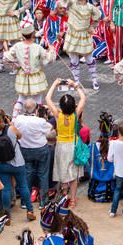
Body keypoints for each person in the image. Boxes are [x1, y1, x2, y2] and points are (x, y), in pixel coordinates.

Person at [44, 79, 87, 207]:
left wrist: (54, 84)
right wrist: (75, 86)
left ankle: (65, 197)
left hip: (61, 146)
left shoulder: (57, 115)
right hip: (73, 145)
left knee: (63, 174)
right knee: (73, 174)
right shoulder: (75, 115)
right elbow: (83, 98)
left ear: (61, 107)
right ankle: (73, 199)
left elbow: (47, 98)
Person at [3, 13, 56, 116]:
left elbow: (6, 57)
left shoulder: (17, 46)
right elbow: (48, 60)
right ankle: (37, 118)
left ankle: (15, 118)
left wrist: (16, 64)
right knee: (37, 99)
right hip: (36, 76)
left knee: (21, 98)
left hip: (23, 75)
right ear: (33, 34)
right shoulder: (37, 47)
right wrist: (52, 50)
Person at [0, 108, 35, 222]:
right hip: (17, 163)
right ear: (5, 117)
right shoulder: (11, 129)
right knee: (23, 186)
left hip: (1, 164)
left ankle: (6, 216)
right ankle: (29, 210)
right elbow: (20, 136)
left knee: (6, 189)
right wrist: (10, 124)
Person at [59, 0, 101, 91]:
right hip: (73, 33)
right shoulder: (72, 3)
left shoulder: (91, 8)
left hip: (84, 34)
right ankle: (76, 81)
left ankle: (94, 80)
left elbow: (97, 17)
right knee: (73, 59)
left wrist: (92, 27)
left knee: (89, 58)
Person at [13, 99, 53, 208]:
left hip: (25, 149)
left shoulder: (18, 119)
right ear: (36, 109)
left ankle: (25, 201)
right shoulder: (40, 121)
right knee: (43, 174)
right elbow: (49, 130)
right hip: (40, 149)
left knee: (27, 174)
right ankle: (43, 202)